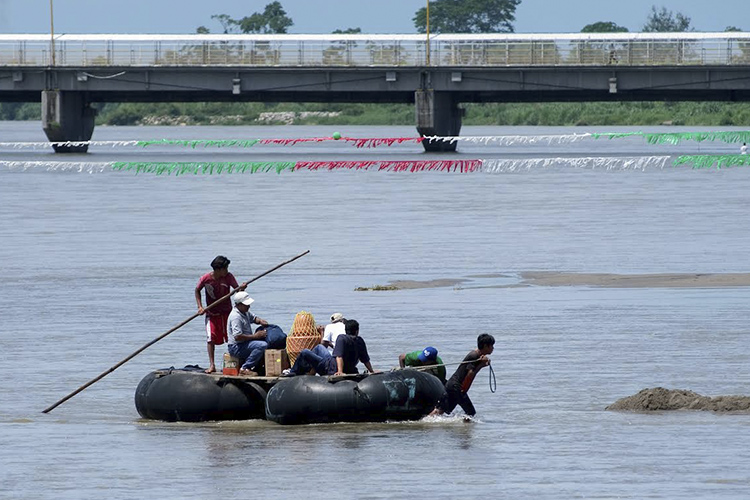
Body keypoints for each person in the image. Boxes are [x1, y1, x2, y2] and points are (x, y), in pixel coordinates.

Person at [195, 255, 246, 373]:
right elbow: (197, 290)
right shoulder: (205, 279)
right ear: (218, 269)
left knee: (232, 338)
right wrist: (200, 307)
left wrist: (242, 288)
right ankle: (212, 365)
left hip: (227, 313)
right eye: (225, 268)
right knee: (210, 338)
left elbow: (237, 290)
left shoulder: (228, 277)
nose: (227, 271)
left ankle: (237, 364)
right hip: (212, 313)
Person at [430, 333, 495, 418]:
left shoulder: (477, 355)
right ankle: (465, 430)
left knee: (442, 410)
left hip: (451, 384)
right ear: (486, 346)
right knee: (470, 412)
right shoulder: (474, 356)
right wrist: (463, 389)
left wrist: (481, 364)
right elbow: (470, 374)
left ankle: (424, 424)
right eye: (491, 346)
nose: (493, 348)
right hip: (456, 386)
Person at [283, 319, 375, 377]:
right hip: (331, 362)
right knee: (319, 347)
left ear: (346, 330)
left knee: (305, 352)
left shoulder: (342, 338)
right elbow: (365, 359)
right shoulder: (360, 341)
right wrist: (371, 371)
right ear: (357, 331)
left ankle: (293, 371)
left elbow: (339, 356)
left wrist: (340, 371)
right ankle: (312, 371)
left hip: (328, 368)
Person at [226, 291, 269, 376]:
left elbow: (253, 318)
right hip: (236, 347)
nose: (248, 306)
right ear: (239, 304)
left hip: (245, 344)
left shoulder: (244, 312)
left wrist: (260, 321)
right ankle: (245, 368)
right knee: (261, 345)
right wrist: (255, 336)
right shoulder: (236, 317)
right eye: (246, 304)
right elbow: (237, 337)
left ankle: (257, 367)